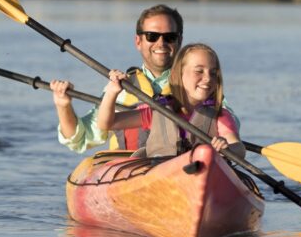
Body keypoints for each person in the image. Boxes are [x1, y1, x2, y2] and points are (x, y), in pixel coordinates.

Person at [51, 4, 184, 153]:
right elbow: (80, 139)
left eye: (170, 37)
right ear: (138, 42)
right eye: (151, 36)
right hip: (128, 171)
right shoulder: (120, 90)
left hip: (179, 170)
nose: (161, 43)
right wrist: (63, 106)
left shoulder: (197, 87)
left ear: (179, 41)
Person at [97, 43, 245, 158]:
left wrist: (227, 148)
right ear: (179, 75)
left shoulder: (220, 115)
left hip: (201, 172)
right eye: (199, 71)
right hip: (160, 176)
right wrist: (111, 93)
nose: (208, 78)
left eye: (213, 73)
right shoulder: (158, 111)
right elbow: (107, 123)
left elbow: (239, 148)